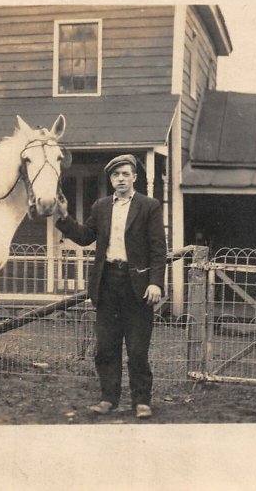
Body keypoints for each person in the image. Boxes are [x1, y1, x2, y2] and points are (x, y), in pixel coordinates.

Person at [55, 154, 166, 419]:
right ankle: (108, 399)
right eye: (116, 175)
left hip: (137, 286)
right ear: (111, 179)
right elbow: (84, 237)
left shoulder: (149, 206)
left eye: (126, 174)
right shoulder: (101, 206)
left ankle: (141, 401)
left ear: (134, 177)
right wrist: (62, 216)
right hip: (106, 284)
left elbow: (158, 250)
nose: (121, 179)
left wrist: (155, 283)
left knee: (138, 348)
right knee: (106, 347)